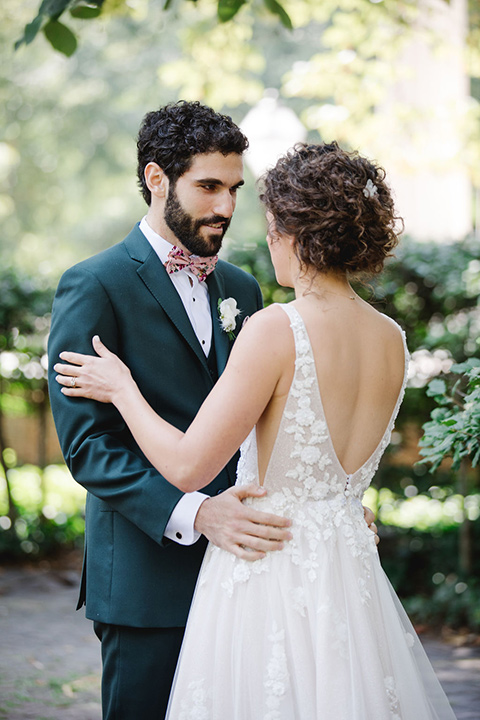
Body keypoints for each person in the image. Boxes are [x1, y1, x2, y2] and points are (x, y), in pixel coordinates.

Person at [54, 142, 456, 719]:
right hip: (339, 569)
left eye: (263, 218)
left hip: (264, 570)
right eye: (211, 187)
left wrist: (122, 389)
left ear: (295, 232)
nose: (257, 232)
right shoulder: (392, 337)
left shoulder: (266, 316)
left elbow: (195, 461)